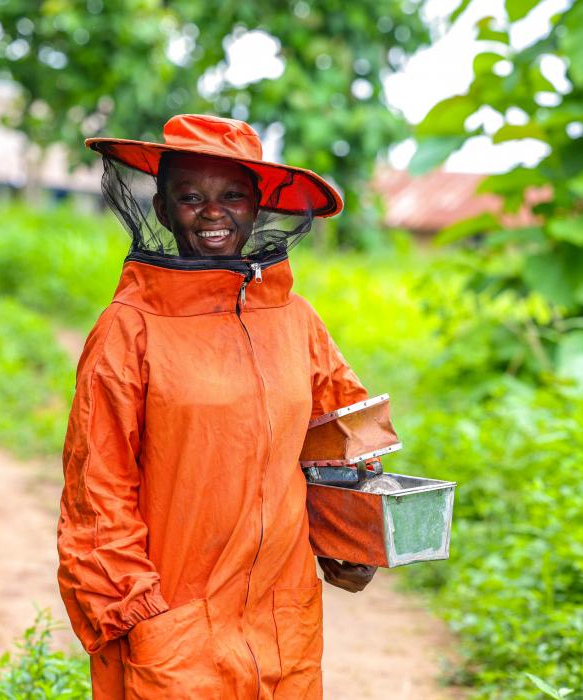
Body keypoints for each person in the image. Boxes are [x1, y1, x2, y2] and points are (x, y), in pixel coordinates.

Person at [57, 114, 376, 699]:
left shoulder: (296, 320)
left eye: (232, 195)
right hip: (174, 623)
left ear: (258, 206)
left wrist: (353, 540)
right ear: (160, 208)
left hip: (284, 623)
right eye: (191, 196)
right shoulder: (128, 330)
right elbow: (96, 494)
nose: (212, 212)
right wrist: (139, 614)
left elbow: (347, 438)